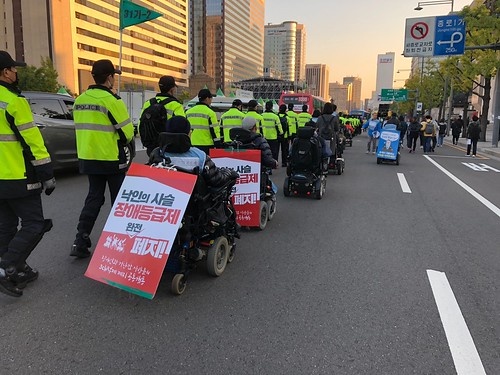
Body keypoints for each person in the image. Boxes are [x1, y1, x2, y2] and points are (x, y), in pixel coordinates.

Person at [0, 51, 56, 297]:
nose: (16, 73)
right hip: (17, 175)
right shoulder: (13, 101)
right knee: (34, 224)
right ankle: (7, 267)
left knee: (6, 226)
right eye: (13, 69)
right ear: (5, 72)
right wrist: (46, 173)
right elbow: (32, 140)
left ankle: (18, 267)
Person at [70, 59, 135, 258]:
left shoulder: (80, 100)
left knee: (94, 198)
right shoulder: (112, 101)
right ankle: (120, 244)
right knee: (119, 202)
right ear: (109, 77)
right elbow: (128, 133)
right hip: (111, 158)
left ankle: (80, 239)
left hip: (88, 158)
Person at [149, 116, 238, 186]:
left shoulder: (157, 153)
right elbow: (216, 180)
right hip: (194, 205)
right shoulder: (200, 156)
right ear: (188, 133)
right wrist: (227, 173)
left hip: (165, 202)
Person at [138, 75, 185, 156]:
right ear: (172, 89)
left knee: (153, 167)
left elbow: (141, 124)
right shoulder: (176, 105)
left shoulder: (148, 103)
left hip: (151, 147)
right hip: (170, 147)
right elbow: (182, 127)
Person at [186, 88, 220, 153]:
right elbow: (215, 130)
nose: (211, 100)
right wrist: (218, 144)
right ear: (207, 98)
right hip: (206, 145)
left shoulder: (188, 112)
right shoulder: (210, 113)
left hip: (191, 144)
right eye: (211, 98)